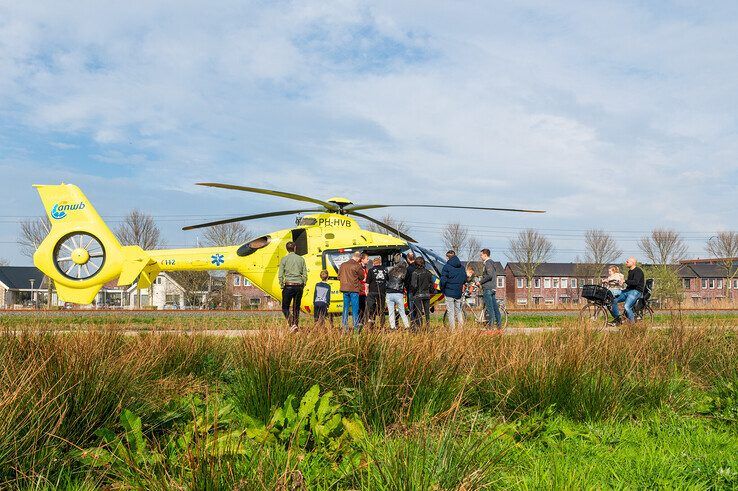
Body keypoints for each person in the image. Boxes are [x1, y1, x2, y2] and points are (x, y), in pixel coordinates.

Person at [278, 241, 307, 332]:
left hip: (289, 285)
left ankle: (291, 323)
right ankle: (295, 325)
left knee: (285, 307)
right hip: (299, 285)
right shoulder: (301, 259)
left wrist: (282, 284)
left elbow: (280, 274)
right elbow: (305, 273)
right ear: (295, 248)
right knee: (296, 307)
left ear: (287, 249)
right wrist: (303, 283)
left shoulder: (284, 259)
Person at [610, 257, 645, 325]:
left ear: (633, 263)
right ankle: (618, 319)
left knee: (627, 306)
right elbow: (629, 282)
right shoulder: (630, 271)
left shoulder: (638, 271)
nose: (626, 262)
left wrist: (625, 281)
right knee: (614, 301)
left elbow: (635, 282)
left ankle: (632, 325)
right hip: (628, 290)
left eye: (627, 262)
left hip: (636, 291)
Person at [440, 250, 466, 330]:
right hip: (458, 292)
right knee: (458, 310)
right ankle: (461, 329)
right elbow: (464, 279)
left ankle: (452, 330)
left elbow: (443, 280)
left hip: (449, 292)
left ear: (448, 257)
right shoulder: (462, 267)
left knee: (450, 312)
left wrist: (442, 288)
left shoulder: (446, 267)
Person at [338, 251, 364, 332]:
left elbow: (339, 276)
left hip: (344, 289)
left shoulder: (343, 265)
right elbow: (362, 277)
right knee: (355, 309)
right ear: (358, 258)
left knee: (345, 308)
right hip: (354, 289)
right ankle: (355, 328)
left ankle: (344, 327)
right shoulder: (357, 265)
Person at [479, 248, 502, 329]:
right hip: (492, 288)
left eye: (481, 255)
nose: (480, 257)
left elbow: (489, 275)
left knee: (490, 309)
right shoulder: (492, 263)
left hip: (488, 288)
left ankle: (490, 328)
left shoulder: (488, 263)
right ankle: (499, 327)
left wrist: (480, 282)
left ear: (485, 255)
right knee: (495, 308)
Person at [386, 254, 410, 330]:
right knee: (402, 311)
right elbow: (405, 281)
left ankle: (392, 327)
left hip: (389, 292)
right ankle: (407, 326)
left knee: (391, 312)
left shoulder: (390, 270)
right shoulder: (404, 271)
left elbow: (387, 280)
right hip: (398, 292)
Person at [410, 256, 434, 328]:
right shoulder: (428, 272)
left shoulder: (415, 273)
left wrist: (413, 293)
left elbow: (414, 285)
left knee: (419, 312)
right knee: (427, 313)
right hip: (427, 294)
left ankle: (420, 328)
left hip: (418, 295)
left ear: (416, 264)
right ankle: (428, 327)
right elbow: (432, 285)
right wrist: (431, 291)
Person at [366, 257, 388, 328]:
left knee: (371, 308)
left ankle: (371, 324)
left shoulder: (371, 270)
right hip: (382, 292)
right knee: (381, 309)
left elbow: (367, 283)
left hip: (372, 292)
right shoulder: (385, 270)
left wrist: (366, 291)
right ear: (380, 262)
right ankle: (382, 325)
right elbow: (387, 280)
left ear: (373, 263)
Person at [404, 251, 417, 323]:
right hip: (418, 290)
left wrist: (406, 287)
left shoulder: (408, 269)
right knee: (417, 307)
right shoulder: (418, 267)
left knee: (411, 308)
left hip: (410, 290)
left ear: (408, 259)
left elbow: (406, 280)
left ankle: (413, 322)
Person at [358, 253, 369, 322]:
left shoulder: (366, 268)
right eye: (367, 259)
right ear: (362, 259)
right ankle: (360, 322)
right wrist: (363, 280)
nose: (368, 260)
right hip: (360, 291)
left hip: (365, 292)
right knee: (360, 309)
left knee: (365, 308)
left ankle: (364, 322)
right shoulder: (358, 268)